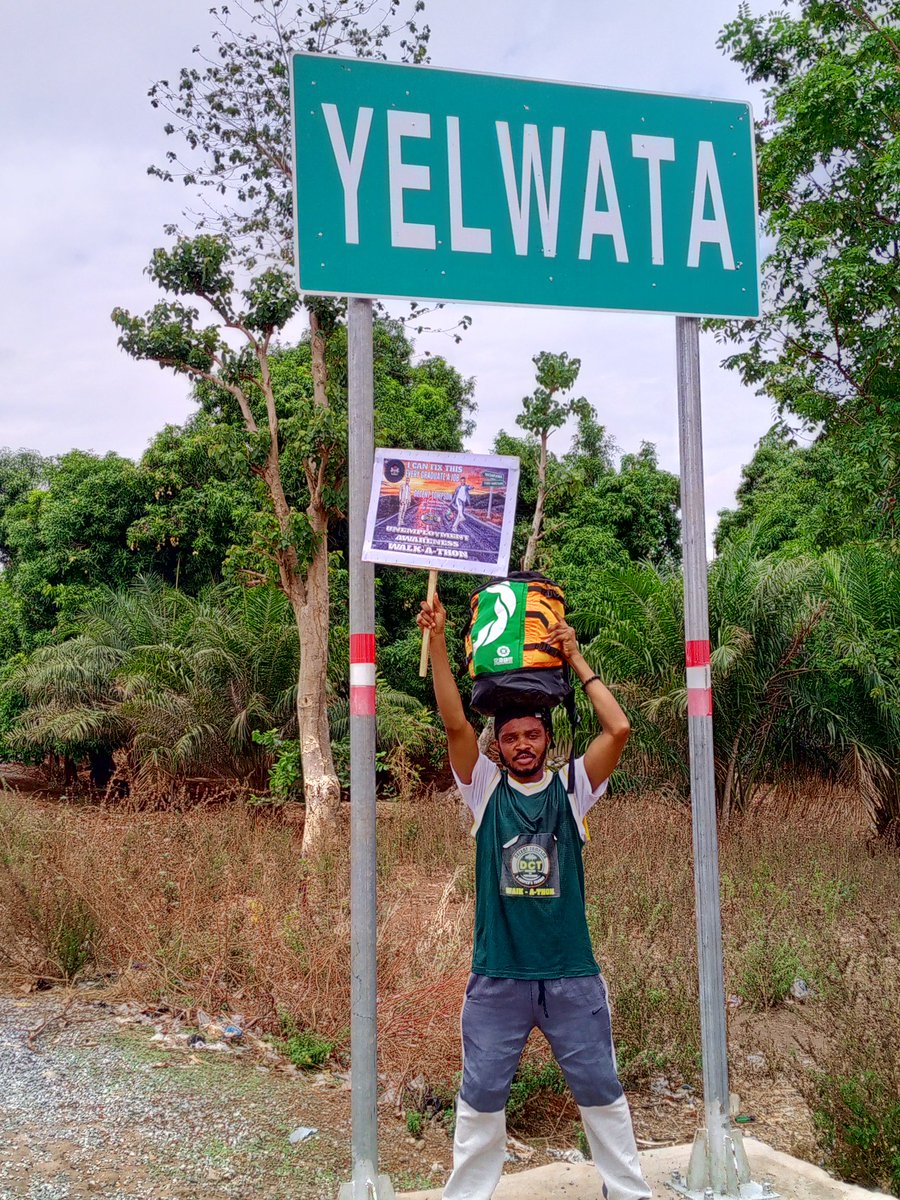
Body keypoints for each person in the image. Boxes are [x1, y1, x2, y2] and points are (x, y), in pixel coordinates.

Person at [417, 593, 651, 1200]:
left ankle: (628, 1192)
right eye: (513, 736)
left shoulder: (572, 787)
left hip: (571, 975)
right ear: (498, 745)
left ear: (547, 738)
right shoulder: (484, 790)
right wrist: (439, 642)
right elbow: (453, 722)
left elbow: (618, 728)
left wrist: (576, 661)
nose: (523, 744)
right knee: (481, 1098)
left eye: (533, 734)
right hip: (499, 977)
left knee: (601, 1092)